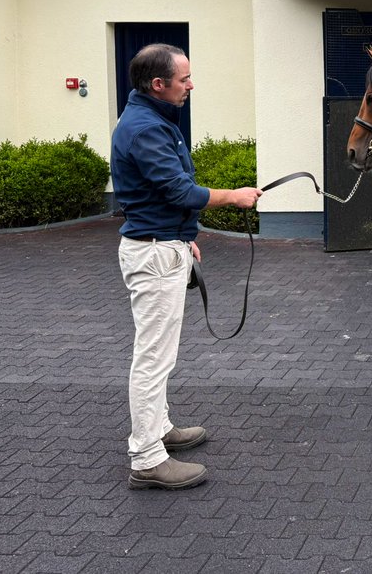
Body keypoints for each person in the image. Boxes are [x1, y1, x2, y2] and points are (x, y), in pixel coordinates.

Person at [110, 43, 262, 490]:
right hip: (153, 256)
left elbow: (164, 195)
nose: (191, 85)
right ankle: (147, 457)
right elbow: (179, 190)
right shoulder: (144, 129)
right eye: (185, 79)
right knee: (153, 359)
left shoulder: (154, 121)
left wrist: (185, 237)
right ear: (159, 85)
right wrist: (233, 196)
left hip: (165, 246)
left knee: (161, 355)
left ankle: (159, 430)